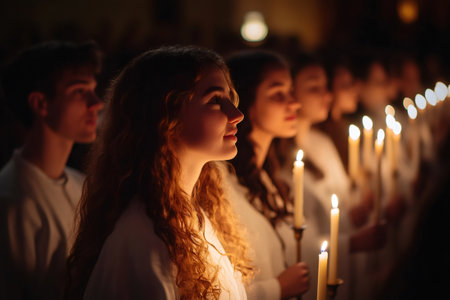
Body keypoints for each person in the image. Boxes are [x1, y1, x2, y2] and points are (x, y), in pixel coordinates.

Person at [66, 46, 252, 300]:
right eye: (215, 101)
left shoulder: (195, 215)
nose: (237, 114)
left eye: (231, 98)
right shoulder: (143, 240)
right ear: (165, 117)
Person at [276, 53, 387, 300]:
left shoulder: (322, 143)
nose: (327, 96)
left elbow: (340, 205)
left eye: (327, 88)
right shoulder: (281, 166)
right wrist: (353, 242)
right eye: (315, 88)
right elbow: (297, 244)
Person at [0, 40, 103, 300]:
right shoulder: (13, 203)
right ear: (40, 103)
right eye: (80, 91)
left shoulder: (81, 185)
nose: (96, 103)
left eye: (93, 89)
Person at [222, 49, 310, 300]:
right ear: (246, 100)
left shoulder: (266, 175)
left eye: (291, 92)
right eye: (277, 94)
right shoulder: (227, 187)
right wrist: (276, 289)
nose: (294, 103)